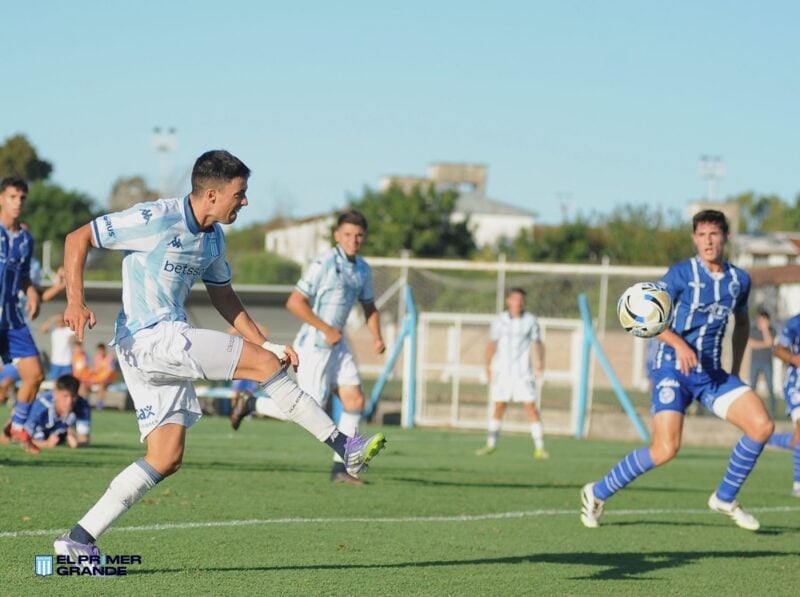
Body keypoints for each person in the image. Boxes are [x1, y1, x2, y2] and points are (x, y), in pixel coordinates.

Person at [53, 150, 386, 564]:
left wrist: (263, 343)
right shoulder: (155, 217)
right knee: (265, 368)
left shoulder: (213, 238)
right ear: (211, 194)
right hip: (152, 338)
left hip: (152, 351)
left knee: (166, 457)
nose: (244, 202)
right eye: (240, 193)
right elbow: (77, 238)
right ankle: (343, 445)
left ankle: (77, 539)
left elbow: (224, 297)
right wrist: (75, 301)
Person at [580, 209, 774, 531]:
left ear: (726, 237)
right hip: (671, 368)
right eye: (701, 235)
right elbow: (644, 316)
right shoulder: (680, 275)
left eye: (714, 234)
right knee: (666, 449)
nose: (708, 241)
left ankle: (724, 497)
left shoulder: (739, 280)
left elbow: (742, 323)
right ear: (694, 239)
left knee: (762, 426)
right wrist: (679, 345)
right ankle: (596, 492)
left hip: (711, 374)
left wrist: (736, 369)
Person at [232, 210, 386, 485]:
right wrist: (325, 328)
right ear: (337, 236)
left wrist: (377, 336)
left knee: (355, 400)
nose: (354, 240)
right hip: (315, 344)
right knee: (306, 409)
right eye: (348, 234)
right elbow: (294, 301)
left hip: (338, 344)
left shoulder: (362, 268)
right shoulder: (324, 263)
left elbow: (369, 306)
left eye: (359, 235)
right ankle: (251, 402)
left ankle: (343, 469)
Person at [0, 177, 45, 454]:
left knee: (35, 374)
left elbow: (25, 276)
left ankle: (17, 425)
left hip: (12, 320)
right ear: (1, 198)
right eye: (13, 196)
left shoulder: (26, 239)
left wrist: (32, 293)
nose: (18, 202)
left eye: (22, 198)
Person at [476, 287, 548, 459]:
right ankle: (490, 445)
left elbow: (538, 343)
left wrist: (540, 364)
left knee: (531, 407)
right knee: (499, 406)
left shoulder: (531, 321)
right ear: (508, 301)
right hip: (503, 373)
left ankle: (540, 448)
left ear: (524, 302)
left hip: (524, 374)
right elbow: (492, 344)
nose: (517, 303)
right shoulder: (499, 320)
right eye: (514, 299)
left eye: (520, 300)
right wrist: (487, 366)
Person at [1, 374, 90, 449]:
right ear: (56, 393)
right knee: (7, 438)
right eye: (65, 396)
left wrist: (76, 443)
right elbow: (22, 439)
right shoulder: (40, 405)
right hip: (26, 423)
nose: (69, 402)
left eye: (73, 396)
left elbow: (84, 440)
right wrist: (46, 444)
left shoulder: (82, 405)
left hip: (52, 432)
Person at [769, 314, 800, 497]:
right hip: (797, 385)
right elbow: (778, 349)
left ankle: (763, 437)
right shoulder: (795, 322)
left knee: (797, 440)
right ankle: (798, 484)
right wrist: (796, 360)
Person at [748, 308, 777, 418]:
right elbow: (751, 344)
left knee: (770, 388)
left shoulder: (772, 330)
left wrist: (765, 330)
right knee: (752, 388)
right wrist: (765, 344)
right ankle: (751, 410)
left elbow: (770, 342)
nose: (760, 321)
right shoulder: (753, 329)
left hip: (767, 363)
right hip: (755, 362)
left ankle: (772, 412)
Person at [40, 312, 75, 380]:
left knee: (67, 381)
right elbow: (42, 330)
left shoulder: (69, 330)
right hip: (56, 361)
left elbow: (76, 338)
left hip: (67, 361)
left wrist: (72, 339)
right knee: (54, 381)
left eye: (62, 320)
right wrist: (52, 319)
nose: (60, 322)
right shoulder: (54, 330)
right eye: (59, 320)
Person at [86, 343, 117, 409]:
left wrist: (103, 378)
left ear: (104, 350)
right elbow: (93, 370)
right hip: (98, 379)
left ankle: (99, 404)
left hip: (108, 380)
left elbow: (111, 371)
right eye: (99, 351)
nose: (100, 352)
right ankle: (84, 402)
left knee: (101, 385)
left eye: (101, 350)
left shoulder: (110, 359)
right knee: (84, 385)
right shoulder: (96, 358)